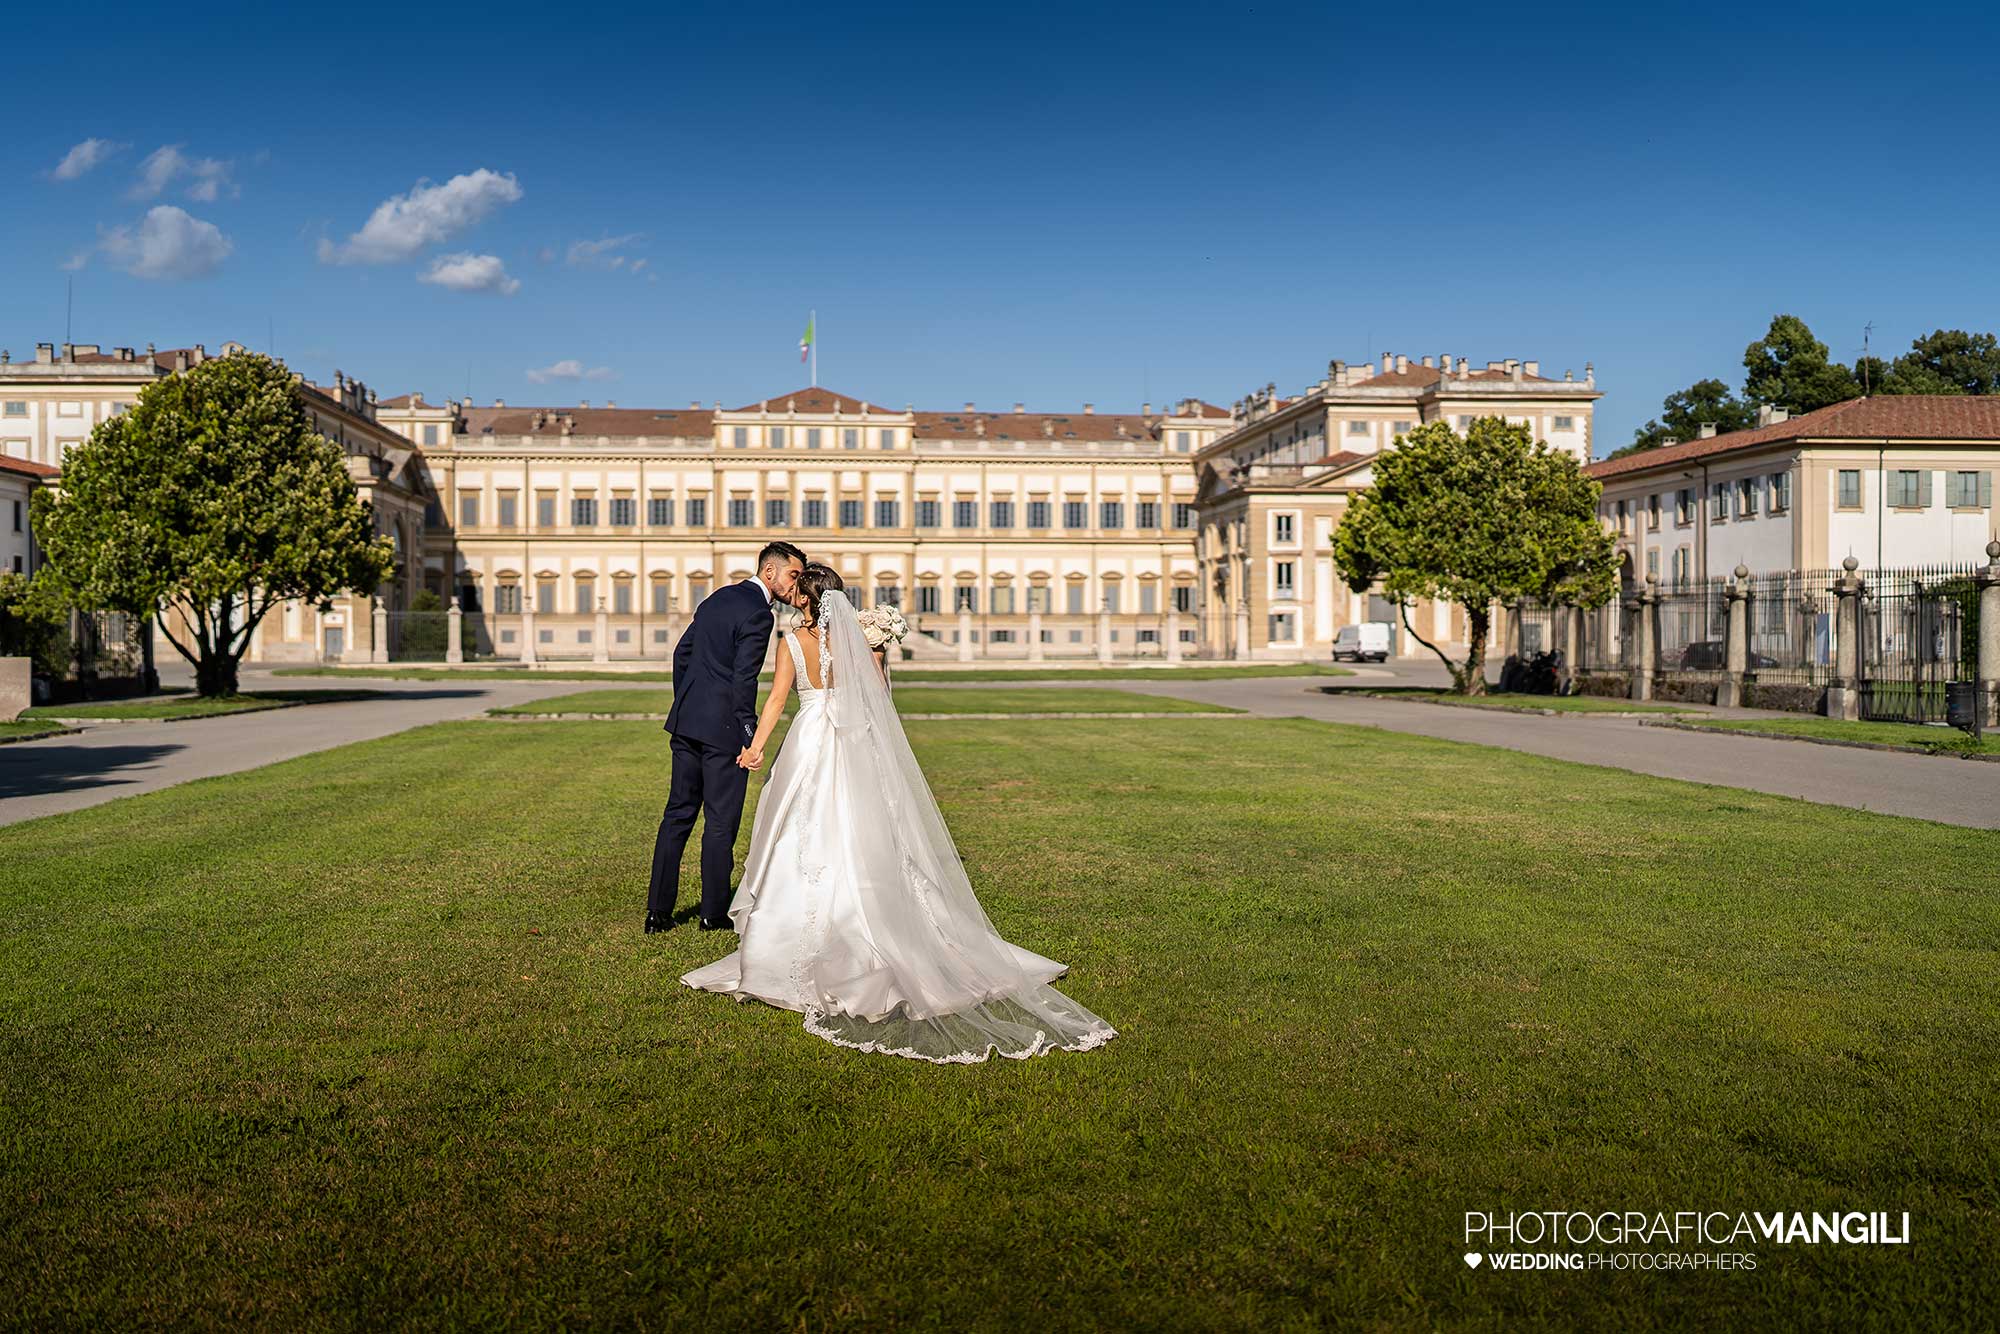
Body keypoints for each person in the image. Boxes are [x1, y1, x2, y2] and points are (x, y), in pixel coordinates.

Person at [681, 563, 1117, 1063]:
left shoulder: (791, 641)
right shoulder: (861, 643)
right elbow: (878, 702)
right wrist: (880, 658)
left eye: (796, 590)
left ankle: (791, 931)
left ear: (805, 599)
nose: (790, 594)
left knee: (801, 828)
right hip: (851, 737)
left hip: (809, 739)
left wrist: (755, 749)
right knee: (865, 824)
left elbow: (778, 697)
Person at [645, 541, 806, 933]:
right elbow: (743, 679)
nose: (795, 583)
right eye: (793, 574)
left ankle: (658, 911)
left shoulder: (717, 598)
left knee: (676, 816)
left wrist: (687, 701)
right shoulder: (758, 614)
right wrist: (749, 734)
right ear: (770, 572)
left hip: (686, 722)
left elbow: (682, 654)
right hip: (724, 732)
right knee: (720, 822)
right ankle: (712, 913)